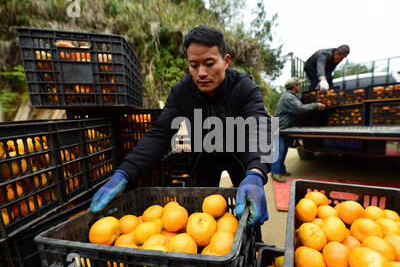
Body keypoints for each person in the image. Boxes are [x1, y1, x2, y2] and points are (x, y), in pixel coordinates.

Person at [89, 26, 271, 236]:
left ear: (226, 60)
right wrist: (124, 172)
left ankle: (253, 248)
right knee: (205, 215)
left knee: (249, 203)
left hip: (241, 156)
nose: (201, 73)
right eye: (194, 65)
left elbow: (260, 125)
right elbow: (159, 134)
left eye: (209, 64)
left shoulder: (244, 87)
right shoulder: (181, 92)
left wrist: (257, 170)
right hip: (205, 157)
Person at [271, 77, 325, 183]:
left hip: (284, 127)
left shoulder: (291, 96)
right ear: (294, 86)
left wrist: (316, 89)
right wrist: (315, 105)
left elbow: (300, 99)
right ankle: (275, 172)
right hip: (280, 128)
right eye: (298, 85)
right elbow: (299, 109)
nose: (299, 86)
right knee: (280, 150)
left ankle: (281, 169)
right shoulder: (288, 98)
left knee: (284, 149)